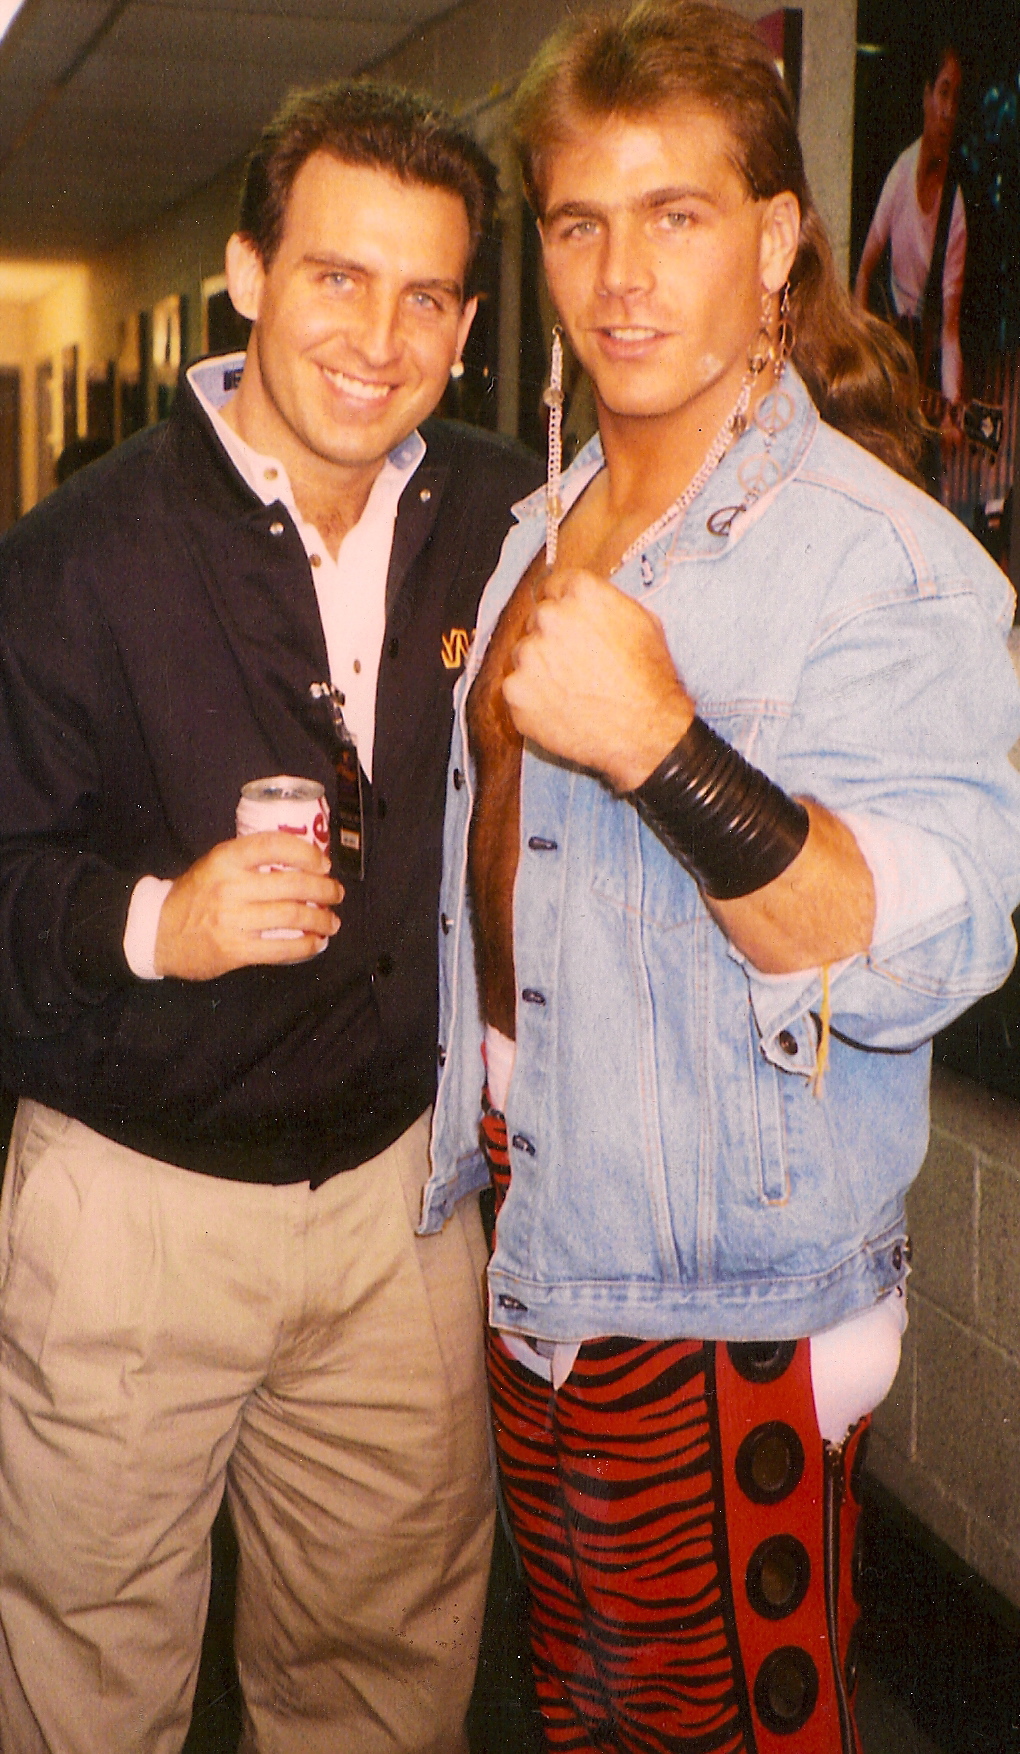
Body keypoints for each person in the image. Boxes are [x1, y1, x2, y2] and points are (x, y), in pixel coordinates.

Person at [424, 5, 1020, 1751]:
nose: (619, 273)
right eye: (579, 219)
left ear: (774, 241)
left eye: (675, 214)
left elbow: (928, 945)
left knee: (728, 1727)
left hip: (718, 1300)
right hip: (540, 1229)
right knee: (590, 1710)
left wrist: (667, 746)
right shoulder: (548, 523)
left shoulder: (881, 561)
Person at [0, 81, 542, 1754]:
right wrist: (160, 916)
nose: (380, 337)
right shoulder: (76, 558)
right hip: (133, 1208)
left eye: (429, 294)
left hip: (397, 1205)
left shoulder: (501, 515)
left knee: (381, 1678)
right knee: (92, 1682)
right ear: (246, 274)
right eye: (337, 275)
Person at [854, 44, 966, 468]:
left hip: (919, 372)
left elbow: (949, 330)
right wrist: (861, 358)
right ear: (926, 97)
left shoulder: (955, 208)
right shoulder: (900, 175)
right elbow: (864, 272)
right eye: (943, 92)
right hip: (886, 355)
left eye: (957, 97)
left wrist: (953, 407)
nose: (949, 109)